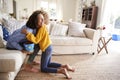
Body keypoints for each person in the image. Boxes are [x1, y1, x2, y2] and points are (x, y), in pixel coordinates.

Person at [22, 10, 75, 79]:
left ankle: (61, 70)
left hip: (47, 49)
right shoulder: (42, 27)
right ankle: (65, 66)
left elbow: (36, 40)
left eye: (43, 20)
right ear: (35, 20)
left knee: (43, 68)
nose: (42, 21)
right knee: (48, 64)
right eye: (40, 19)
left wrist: (28, 33)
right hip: (49, 47)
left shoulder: (42, 28)